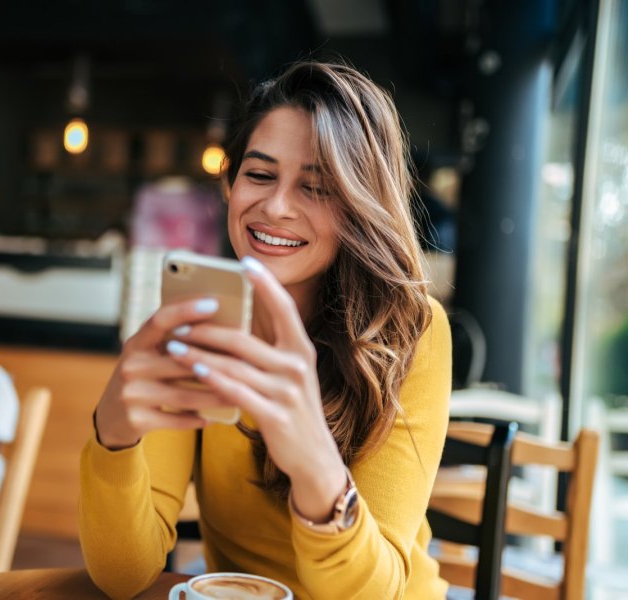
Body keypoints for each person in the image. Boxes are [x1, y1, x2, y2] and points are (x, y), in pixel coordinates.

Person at [79, 59, 452, 600]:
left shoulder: (409, 332)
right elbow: (122, 575)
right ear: (230, 184)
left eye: (317, 187)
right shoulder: (198, 321)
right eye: (259, 175)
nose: (275, 207)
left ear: (359, 207)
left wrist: (312, 460)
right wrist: (113, 432)